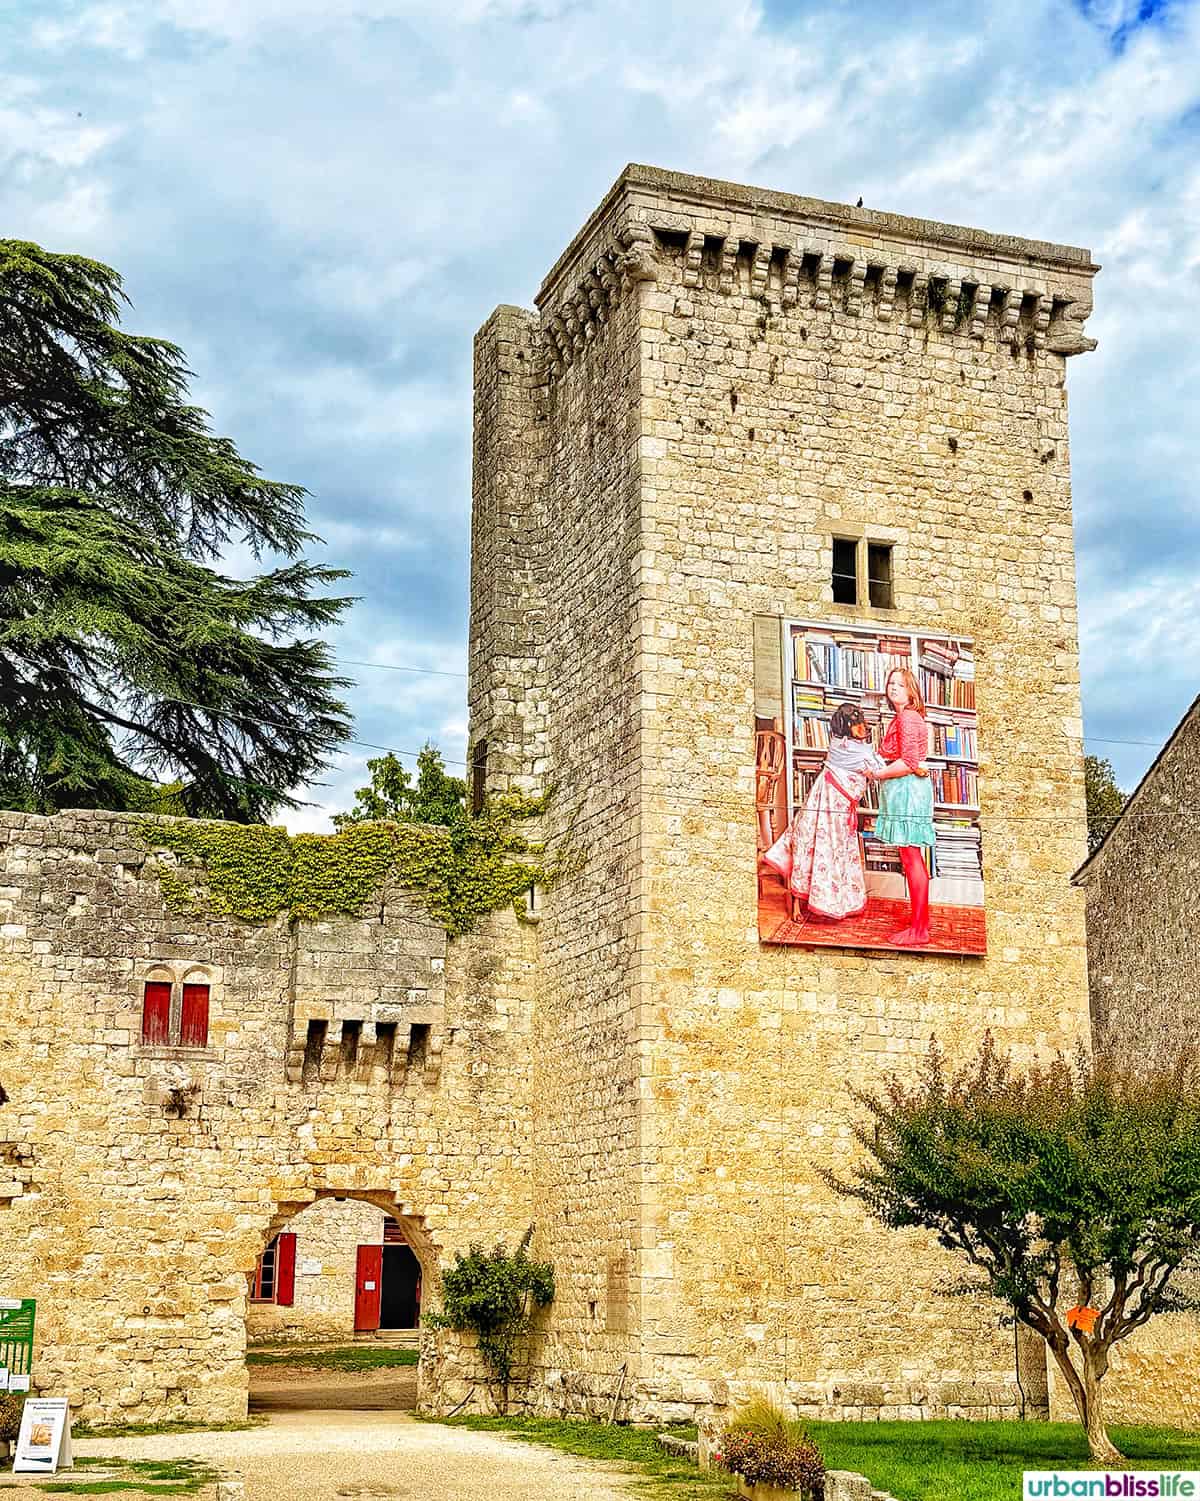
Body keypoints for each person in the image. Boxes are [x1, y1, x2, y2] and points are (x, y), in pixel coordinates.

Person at [764, 702, 892, 921]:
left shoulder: (858, 749)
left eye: (861, 718)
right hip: (824, 808)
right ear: (843, 725)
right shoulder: (843, 748)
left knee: (838, 851)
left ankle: (837, 900)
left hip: (841, 812)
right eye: (855, 720)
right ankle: (797, 903)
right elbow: (878, 770)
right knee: (812, 847)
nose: (863, 725)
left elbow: (875, 767)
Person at [867, 668, 937, 947]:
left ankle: (919, 931)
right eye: (890, 683)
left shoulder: (908, 717)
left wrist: (877, 774)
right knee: (912, 859)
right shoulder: (906, 717)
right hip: (906, 789)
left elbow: (909, 762)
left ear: (911, 691)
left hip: (908, 791)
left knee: (912, 860)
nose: (893, 688)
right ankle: (921, 923)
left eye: (900, 684)